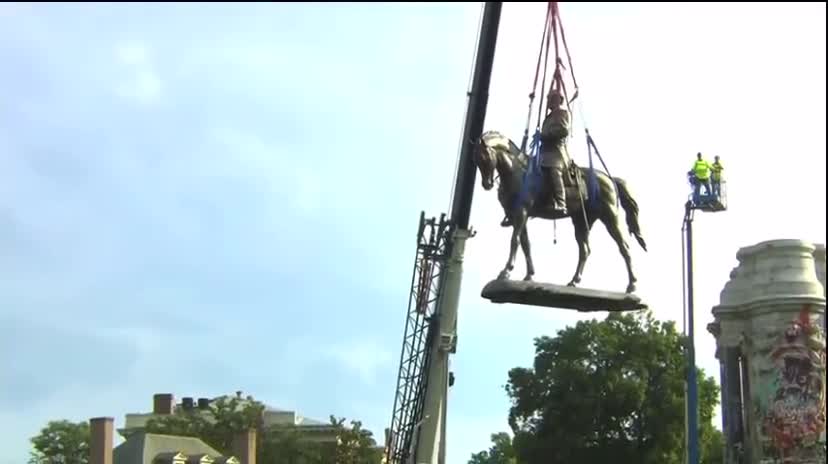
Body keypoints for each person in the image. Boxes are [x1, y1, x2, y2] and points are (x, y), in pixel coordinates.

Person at [501, 86, 571, 227]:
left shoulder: (563, 113)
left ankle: (561, 203)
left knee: (553, 171)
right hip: (544, 153)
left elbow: (563, 130)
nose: (548, 102)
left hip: (556, 153)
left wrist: (544, 135)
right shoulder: (548, 118)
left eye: (551, 99)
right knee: (526, 170)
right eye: (548, 99)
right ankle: (519, 206)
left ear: (558, 100)